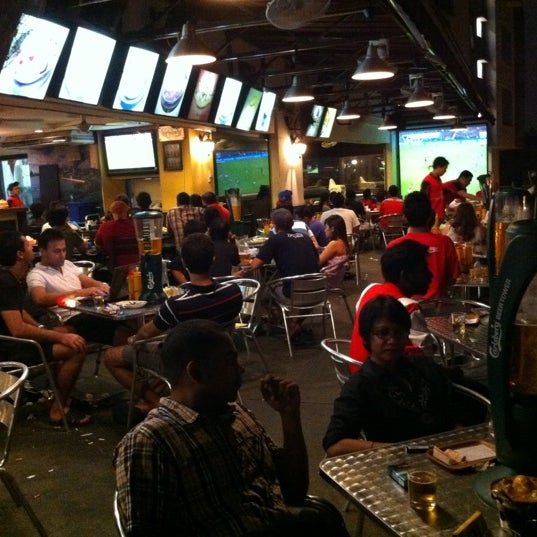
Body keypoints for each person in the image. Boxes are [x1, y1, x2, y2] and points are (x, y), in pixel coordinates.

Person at [114, 319, 350, 537]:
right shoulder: (151, 442)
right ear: (196, 372)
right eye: (229, 361)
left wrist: (289, 416)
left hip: (276, 524)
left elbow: (294, 491)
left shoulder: (236, 414)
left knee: (323, 518)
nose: (241, 369)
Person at [104, 233, 243, 416]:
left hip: (182, 363)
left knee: (111, 357)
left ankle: (156, 402)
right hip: (219, 357)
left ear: (184, 263)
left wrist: (134, 339)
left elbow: (145, 334)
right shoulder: (234, 292)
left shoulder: (177, 305)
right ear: (213, 259)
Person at [323, 296, 461, 456]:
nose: (392, 340)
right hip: (400, 462)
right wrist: (389, 449)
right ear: (367, 337)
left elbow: (454, 408)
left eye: (399, 332)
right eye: (383, 333)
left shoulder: (423, 366)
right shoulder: (361, 385)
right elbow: (334, 444)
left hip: (448, 454)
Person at [0, 231, 90, 426]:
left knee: (67, 333)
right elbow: (18, 329)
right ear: (20, 254)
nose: (31, 245)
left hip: (15, 341)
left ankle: (59, 397)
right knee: (76, 348)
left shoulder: (11, 277)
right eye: (27, 244)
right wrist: (59, 338)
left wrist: (42, 328)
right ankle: (58, 409)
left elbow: (20, 312)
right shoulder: (6, 282)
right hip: (10, 347)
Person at [27, 229, 124, 346]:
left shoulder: (67, 264)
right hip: (71, 316)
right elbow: (40, 299)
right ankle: (127, 349)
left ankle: (127, 349)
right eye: (57, 251)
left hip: (90, 309)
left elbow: (89, 281)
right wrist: (80, 293)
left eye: (64, 250)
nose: (62, 255)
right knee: (114, 323)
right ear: (42, 251)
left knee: (122, 310)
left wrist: (103, 286)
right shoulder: (36, 274)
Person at [349, 239, 433, 367]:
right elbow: (426, 357)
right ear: (404, 276)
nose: (430, 275)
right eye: (424, 270)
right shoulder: (408, 307)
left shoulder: (369, 290)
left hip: (357, 371)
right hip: (385, 377)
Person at [242, 208, 319, 343]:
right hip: (317, 290)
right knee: (305, 294)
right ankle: (297, 324)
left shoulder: (275, 239)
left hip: (293, 293)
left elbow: (255, 265)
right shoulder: (306, 238)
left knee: (265, 295)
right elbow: (315, 259)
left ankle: (290, 325)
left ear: (274, 225)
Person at [388, 191, 460, 299]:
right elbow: (453, 278)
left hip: (405, 307)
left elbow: (391, 286)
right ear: (430, 215)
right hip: (438, 306)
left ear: (405, 217)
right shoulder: (445, 243)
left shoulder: (393, 246)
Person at [94, 200, 138, 266]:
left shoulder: (105, 227)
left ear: (111, 214)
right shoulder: (136, 225)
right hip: (138, 265)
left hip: (116, 267)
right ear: (127, 212)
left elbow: (98, 245)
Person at [319, 214, 349, 288]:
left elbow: (318, 263)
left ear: (332, 229)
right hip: (335, 279)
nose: (324, 230)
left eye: (326, 228)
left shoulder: (334, 244)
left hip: (325, 280)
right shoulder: (343, 242)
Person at [421, 156, 449, 223]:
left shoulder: (439, 179)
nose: (445, 171)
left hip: (440, 216)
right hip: (432, 218)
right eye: (445, 169)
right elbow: (423, 199)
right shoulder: (427, 181)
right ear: (439, 167)